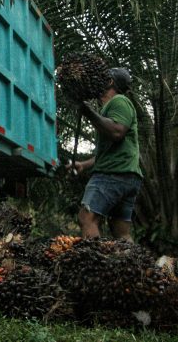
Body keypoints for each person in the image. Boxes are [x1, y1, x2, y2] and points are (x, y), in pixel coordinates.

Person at [69, 68, 143, 240]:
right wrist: (84, 165)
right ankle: (130, 265)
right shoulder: (111, 108)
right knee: (120, 230)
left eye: (101, 78)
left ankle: (97, 264)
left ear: (110, 82)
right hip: (126, 175)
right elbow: (111, 151)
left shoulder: (119, 101)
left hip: (113, 174)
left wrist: (87, 112)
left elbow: (117, 132)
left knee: (87, 218)